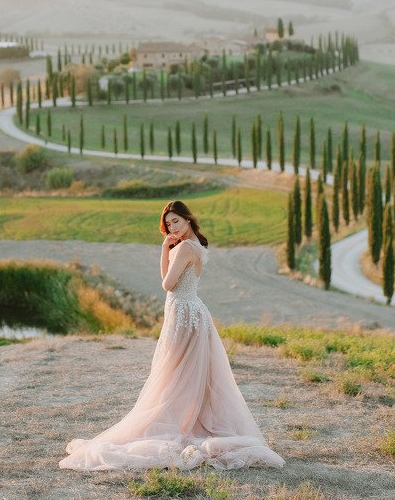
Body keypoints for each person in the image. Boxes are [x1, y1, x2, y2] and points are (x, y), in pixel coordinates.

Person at [58, 200, 285, 471]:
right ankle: (186, 421)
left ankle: (175, 423)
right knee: (187, 372)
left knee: (173, 371)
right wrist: (169, 248)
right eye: (168, 224)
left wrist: (164, 250)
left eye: (176, 221)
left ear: (188, 219)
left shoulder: (185, 248)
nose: (172, 228)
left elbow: (167, 284)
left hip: (183, 313)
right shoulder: (197, 246)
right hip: (193, 311)